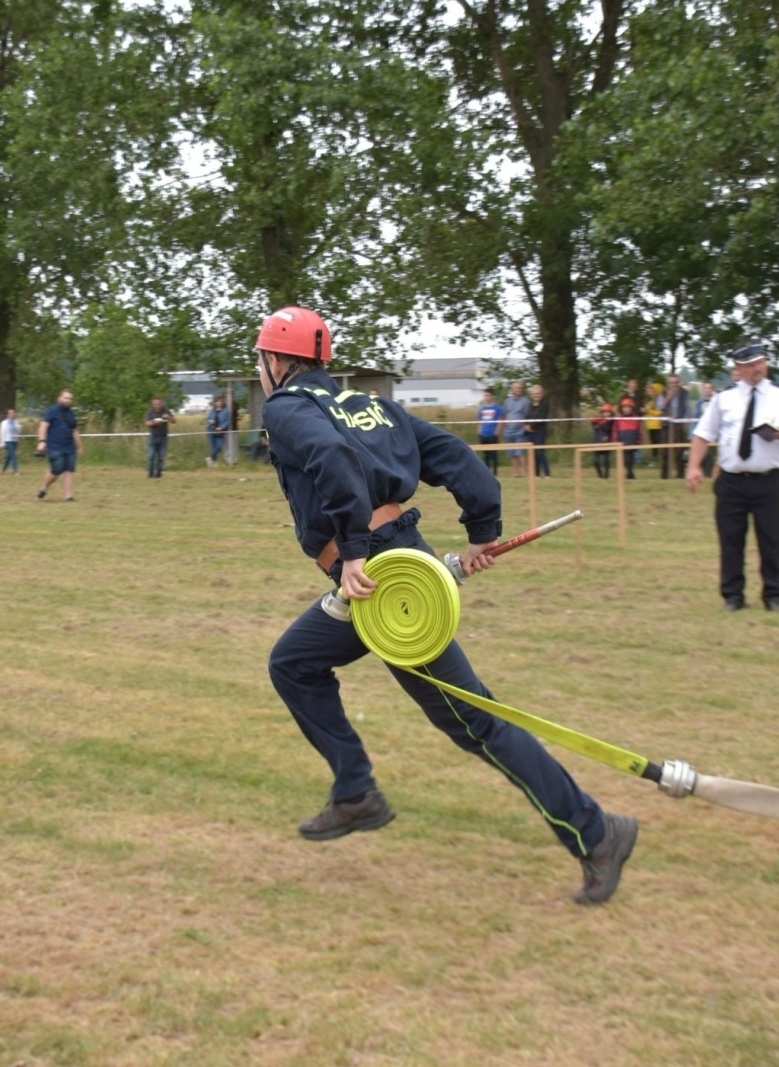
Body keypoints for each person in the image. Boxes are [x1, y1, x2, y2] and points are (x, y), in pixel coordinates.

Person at [255, 305, 637, 906]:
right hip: (394, 563)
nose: (261, 371)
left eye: (261, 361)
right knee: (294, 663)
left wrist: (353, 552)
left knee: (475, 721)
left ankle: (597, 832)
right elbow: (454, 456)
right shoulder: (369, 404)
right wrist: (483, 524)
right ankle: (355, 792)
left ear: (276, 361)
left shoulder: (284, 408)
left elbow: (331, 460)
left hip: (381, 577)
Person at [686, 339, 779, 612]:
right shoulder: (724, 398)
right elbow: (703, 435)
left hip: (769, 481)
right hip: (731, 481)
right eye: (751, 365)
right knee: (730, 539)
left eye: (761, 362)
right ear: (738, 368)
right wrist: (694, 467)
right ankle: (733, 596)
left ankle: (773, 595)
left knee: (771, 539)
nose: (758, 369)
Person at [35, 389, 82, 501]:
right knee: (56, 470)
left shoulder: (71, 414)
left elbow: (74, 431)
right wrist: (42, 441)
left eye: (70, 398)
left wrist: (80, 447)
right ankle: (44, 488)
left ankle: (68, 496)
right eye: (66, 398)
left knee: (69, 470)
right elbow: (43, 426)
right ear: (59, 398)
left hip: (69, 446)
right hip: (55, 446)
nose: (68, 400)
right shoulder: (52, 411)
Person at [658, 374, 692, 478]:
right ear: (668, 384)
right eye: (671, 383)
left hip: (679, 424)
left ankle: (680, 475)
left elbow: (687, 408)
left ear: (679, 383)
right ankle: (665, 475)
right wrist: (668, 397)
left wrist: (685, 422)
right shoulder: (663, 393)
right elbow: (659, 407)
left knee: (679, 451)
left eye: (676, 383)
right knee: (665, 451)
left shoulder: (684, 393)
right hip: (666, 425)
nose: (674, 385)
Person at [502, 380, 531, 477]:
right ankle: (516, 473)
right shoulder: (507, 401)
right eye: (517, 388)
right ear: (512, 389)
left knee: (520, 452)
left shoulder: (525, 401)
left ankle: (525, 473)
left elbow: (527, 415)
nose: (519, 390)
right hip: (508, 431)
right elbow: (505, 414)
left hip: (519, 430)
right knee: (512, 453)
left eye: (520, 388)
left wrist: (525, 424)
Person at [145, 396, 176, 478]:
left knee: (161, 457)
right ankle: (150, 473)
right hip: (153, 437)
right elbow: (147, 423)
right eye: (155, 404)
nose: (157, 405)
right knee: (151, 456)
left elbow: (174, 421)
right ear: (152, 404)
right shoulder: (150, 412)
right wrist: (154, 423)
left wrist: (169, 417)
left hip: (163, 437)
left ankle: (159, 473)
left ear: (161, 403)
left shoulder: (166, 411)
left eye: (159, 404)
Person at [525, 383, 552, 477]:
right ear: (532, 395)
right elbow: (527, 416)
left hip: (540, 432)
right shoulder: (530, 405)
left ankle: (547, 473)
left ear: (542, 394)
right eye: (535, 394)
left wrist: (532, 427)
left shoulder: (545, 404)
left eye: (538, 393)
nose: (536, 396)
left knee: (540, 453)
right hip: (530, 433)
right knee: (533, 454)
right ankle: (536, 474)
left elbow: (541, 418)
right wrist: (526, 426)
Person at [477, 388, 504, 476]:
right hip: (484, 435)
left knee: (493, 455)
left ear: (492, 396)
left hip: (492, 435)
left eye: (488, 395)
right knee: (486, 456)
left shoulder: (497, 408)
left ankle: (495, 473)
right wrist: (480, 432)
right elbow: (480, 422)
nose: (486, 397)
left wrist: (496, 433)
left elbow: (500, 422)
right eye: (485, 395)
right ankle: (487, 472)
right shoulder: (482, 409)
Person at [614, 395, 643, 479]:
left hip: (632, 441)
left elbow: (639, 431)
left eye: (628, 407)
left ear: (631, 408)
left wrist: (639, 441)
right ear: (622, 408)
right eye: (624, 407)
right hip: (622, 442)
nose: (626, 409)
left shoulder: (636, 418)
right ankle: (629, 473)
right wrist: (615, 441)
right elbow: (615, 431)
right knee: (625, 460)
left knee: (630, 459)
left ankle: (630, 473)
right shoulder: (619, 419)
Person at [693, 381, 717, 477]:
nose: (707, 390)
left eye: (709, 388)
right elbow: (696, 417)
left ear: (712, 390)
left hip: (714, 432)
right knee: (703, 454)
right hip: (703, 432)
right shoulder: (700, 403)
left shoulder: (716, 402)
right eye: (705, 388)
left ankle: (711, 473)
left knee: (711, 454)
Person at [590, 402, 615, 478]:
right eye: (604, 412)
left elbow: (613, 432)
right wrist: (593, 421)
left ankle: (606, 475)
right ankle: (600, 475)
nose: (606, 414)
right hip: (597, 442)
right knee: (595, 461)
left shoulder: (612, 421)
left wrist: (609, 438)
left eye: (608, 412)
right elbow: (594, 427)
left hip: (607, 442)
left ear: (611, 413)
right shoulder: (598, 421)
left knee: (606, 460)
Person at [205, 395, 231, 467]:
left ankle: (210, 458)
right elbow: (207, 419)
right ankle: (214, 462)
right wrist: (210, 421)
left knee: (219, 447)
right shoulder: (212, 411)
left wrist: (222, 427)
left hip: (220, 432)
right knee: (214, 447)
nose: (219, 403)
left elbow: (228, 421)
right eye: (217, 401)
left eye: (220, 401)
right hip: (211, 430)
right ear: (215, 403)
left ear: (222, 402)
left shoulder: (226, 411)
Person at [642, 382, 664, 468]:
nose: (650, 392)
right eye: (649, 390)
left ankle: (658, 460)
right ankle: (654, 460)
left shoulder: (659, 401)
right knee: (653, 444)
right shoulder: (651, 402)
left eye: (652, 390)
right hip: (651, 426)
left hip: (657, 426)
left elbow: (659, 413)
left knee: (658, 444)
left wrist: (648, 411)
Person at [0, 408, 22, 474]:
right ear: (7, 415)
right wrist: (2, 443)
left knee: (9, 456)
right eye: (11, 413)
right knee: (13, 455)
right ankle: (16, 470)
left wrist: (18, 426)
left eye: (14, 413)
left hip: (15, 440)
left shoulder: (16, 422)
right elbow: (2, 433)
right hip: (8, 440)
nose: (13, 414)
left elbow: (19, 431)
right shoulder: (4, 423)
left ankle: (3, 470)